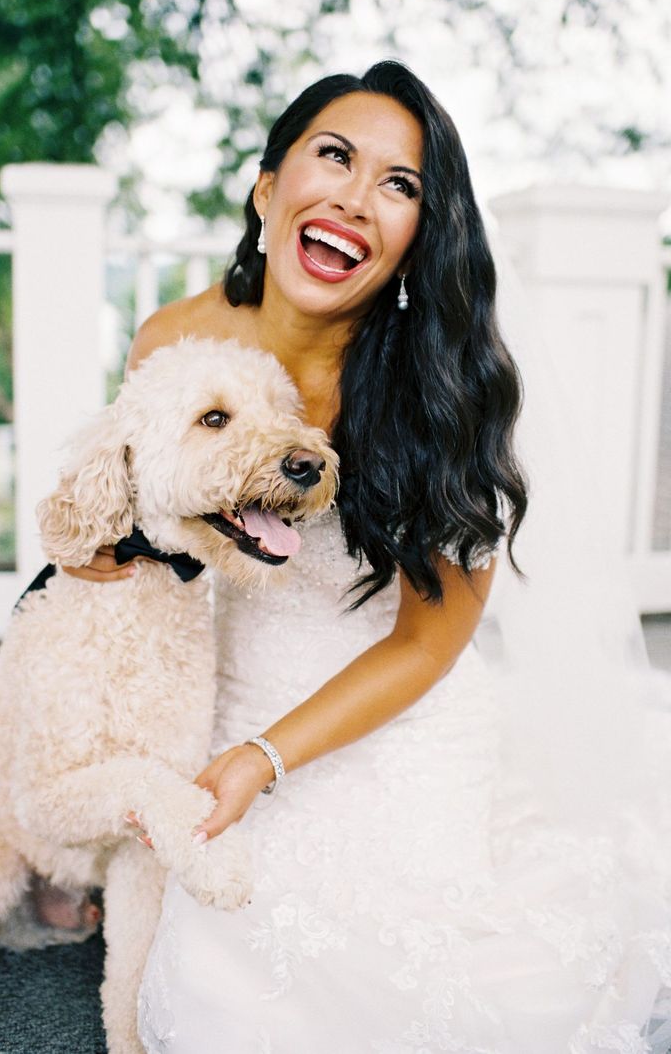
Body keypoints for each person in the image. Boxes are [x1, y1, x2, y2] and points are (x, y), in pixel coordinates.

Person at [70, 62, 671, 1052]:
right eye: (335, 156)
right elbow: (153, 542)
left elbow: (429, 644)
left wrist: (264, 760)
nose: (356, 196)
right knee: (207, 954)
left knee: (426, 983)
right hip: (223, 697)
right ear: (269, 187)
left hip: (395, 713)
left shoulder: (445, 388)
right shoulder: (171, 342)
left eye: (400, 185)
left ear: (415, 238)